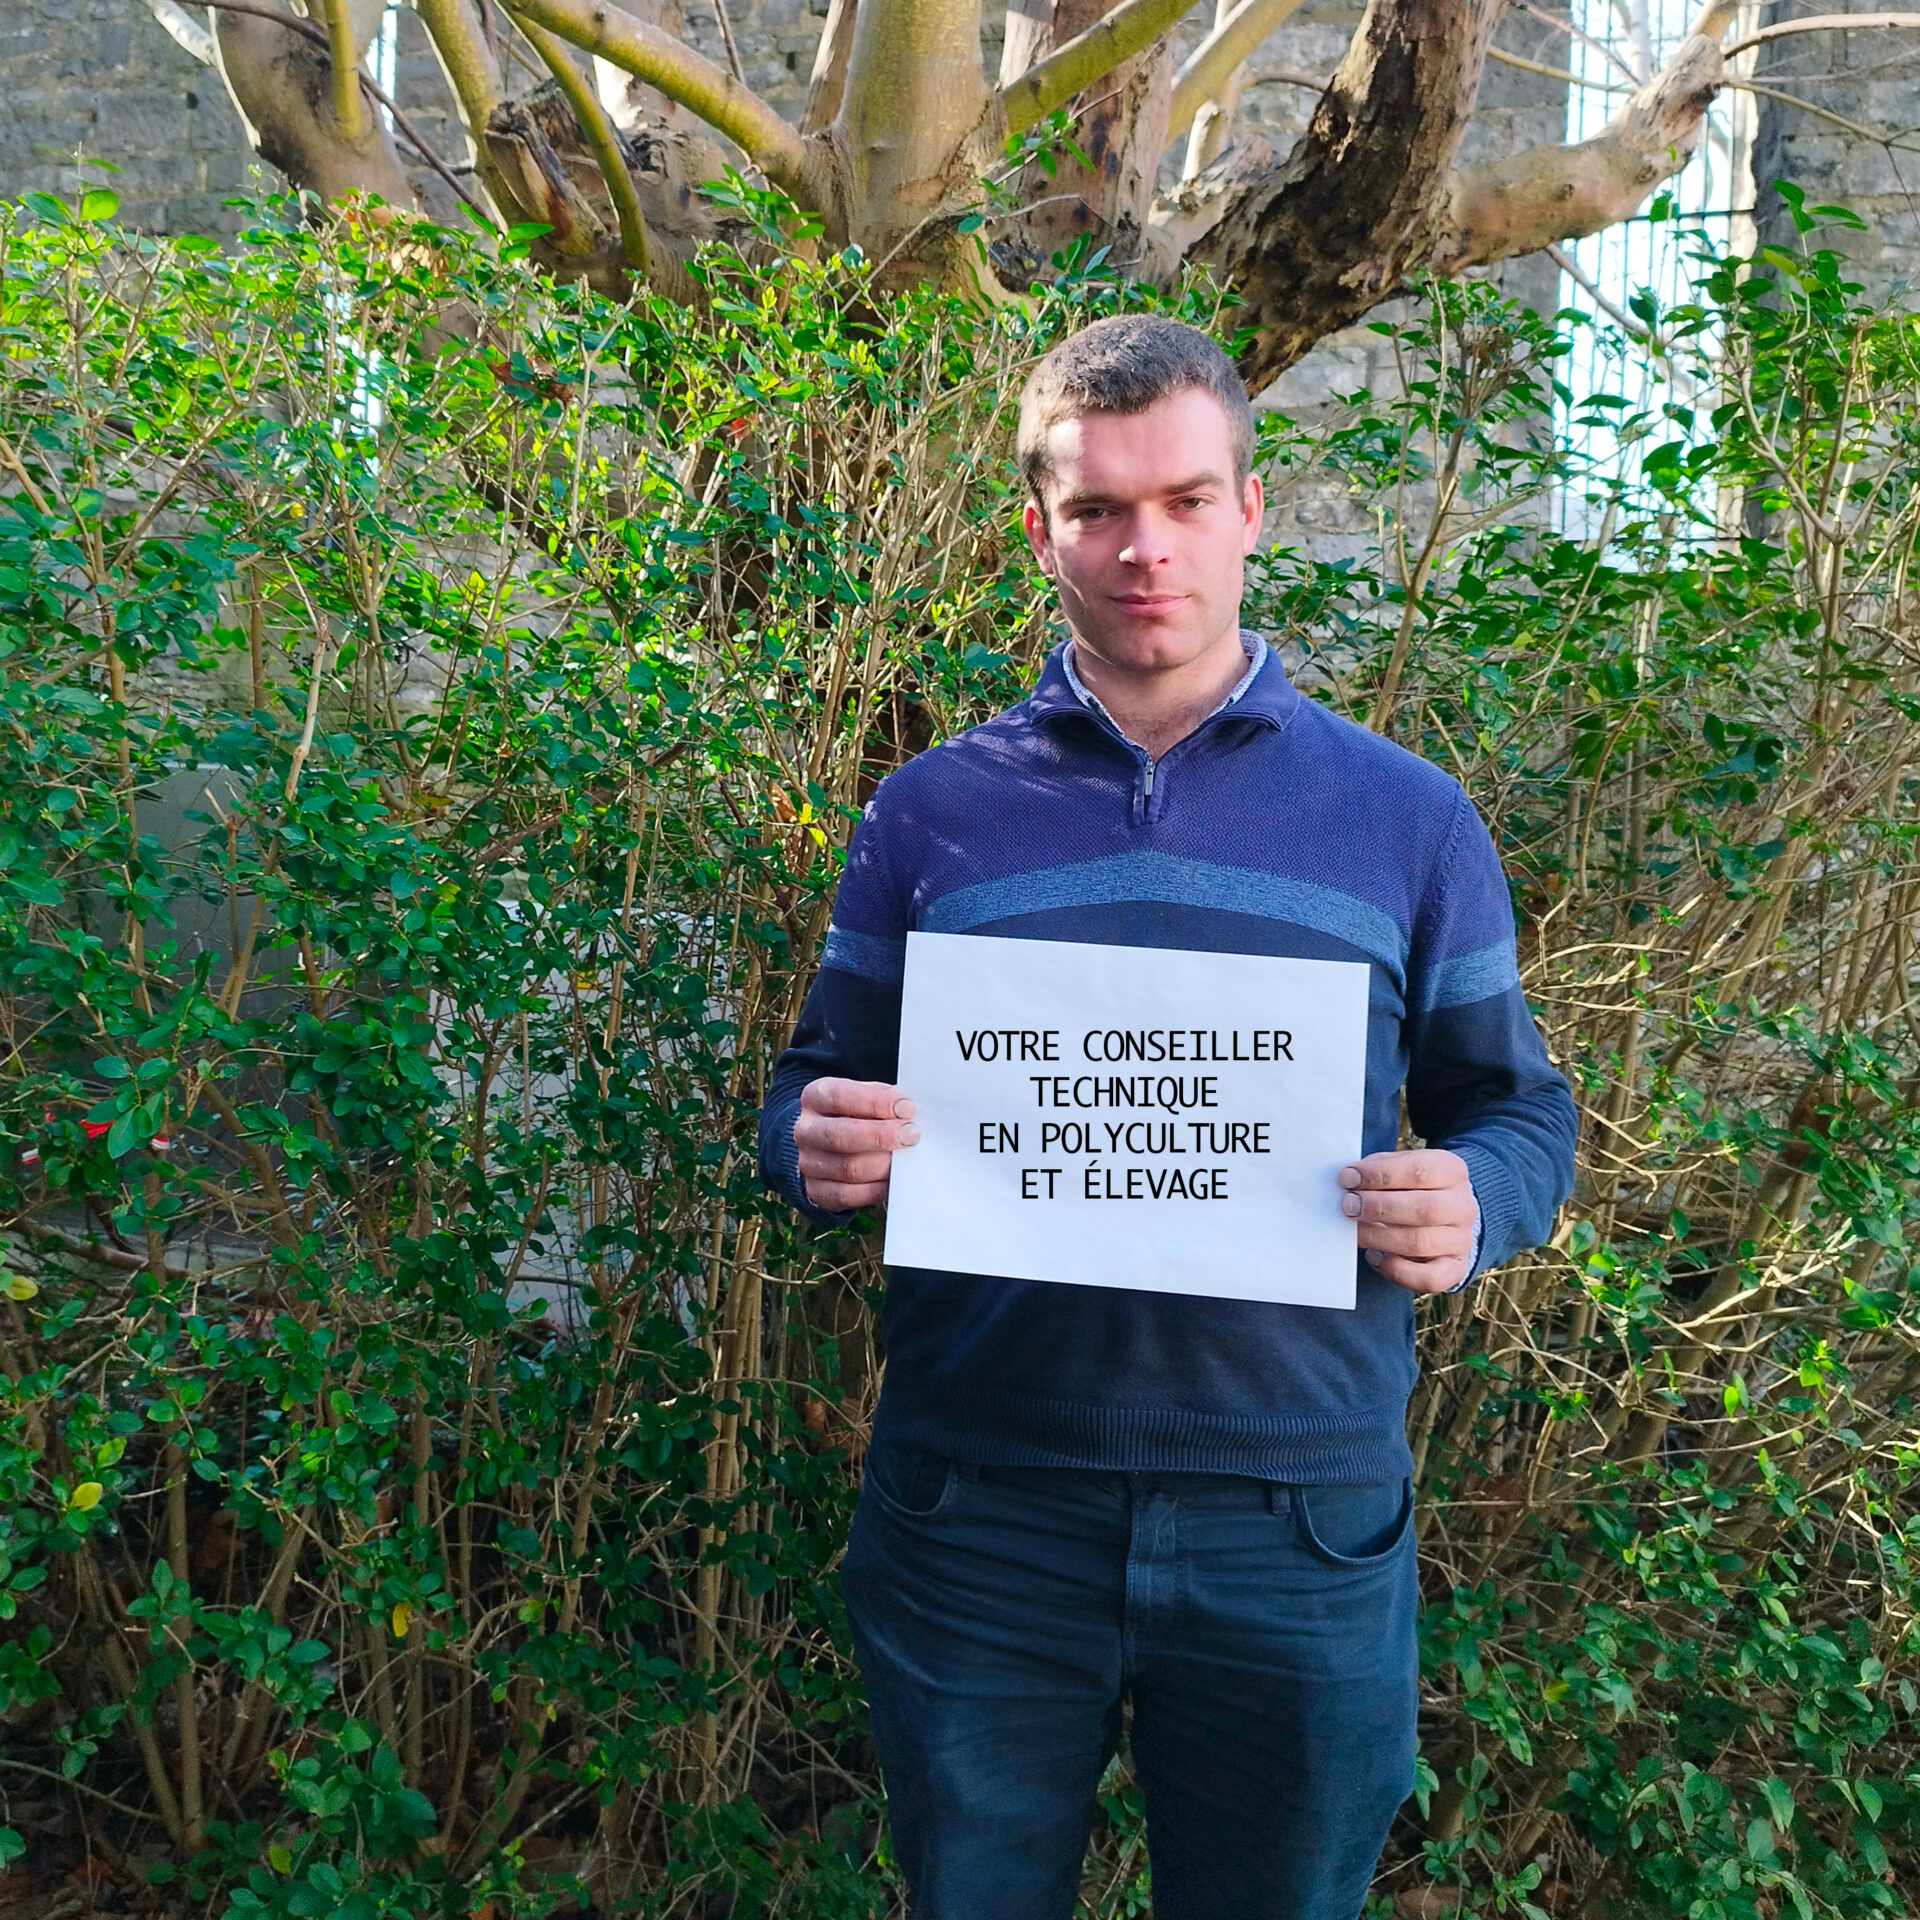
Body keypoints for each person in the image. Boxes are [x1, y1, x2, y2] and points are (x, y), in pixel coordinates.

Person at [756, 314, 1577, 1920]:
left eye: (1188, 501)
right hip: (980, 1512)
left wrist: (1477, 1198)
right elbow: (806, 1092)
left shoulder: (1408, 820)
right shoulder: (930, 813)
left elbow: (1519, 1112)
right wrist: (813, 1145)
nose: (1147, 549)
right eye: (1100, 509)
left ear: (1250, 511)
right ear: (1040, 531)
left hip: (1299, 1520)